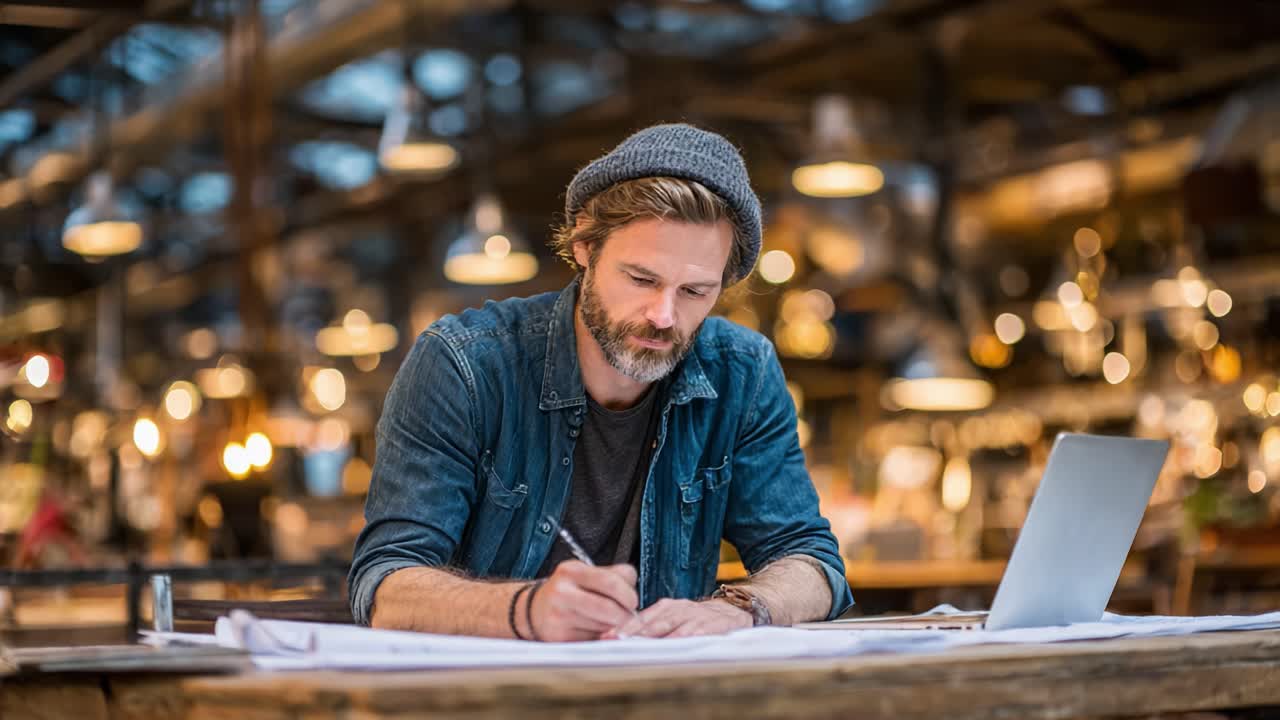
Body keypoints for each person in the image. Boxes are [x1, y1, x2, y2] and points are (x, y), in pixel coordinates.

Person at [349, 123, 853, 641]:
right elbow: (385, 584)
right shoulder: (464, 363)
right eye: (641, 279)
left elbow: (812, 563)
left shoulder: (743, 372)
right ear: (585, 245)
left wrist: (745, 608)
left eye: (695, 291)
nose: (663, 315)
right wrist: (526, 610)